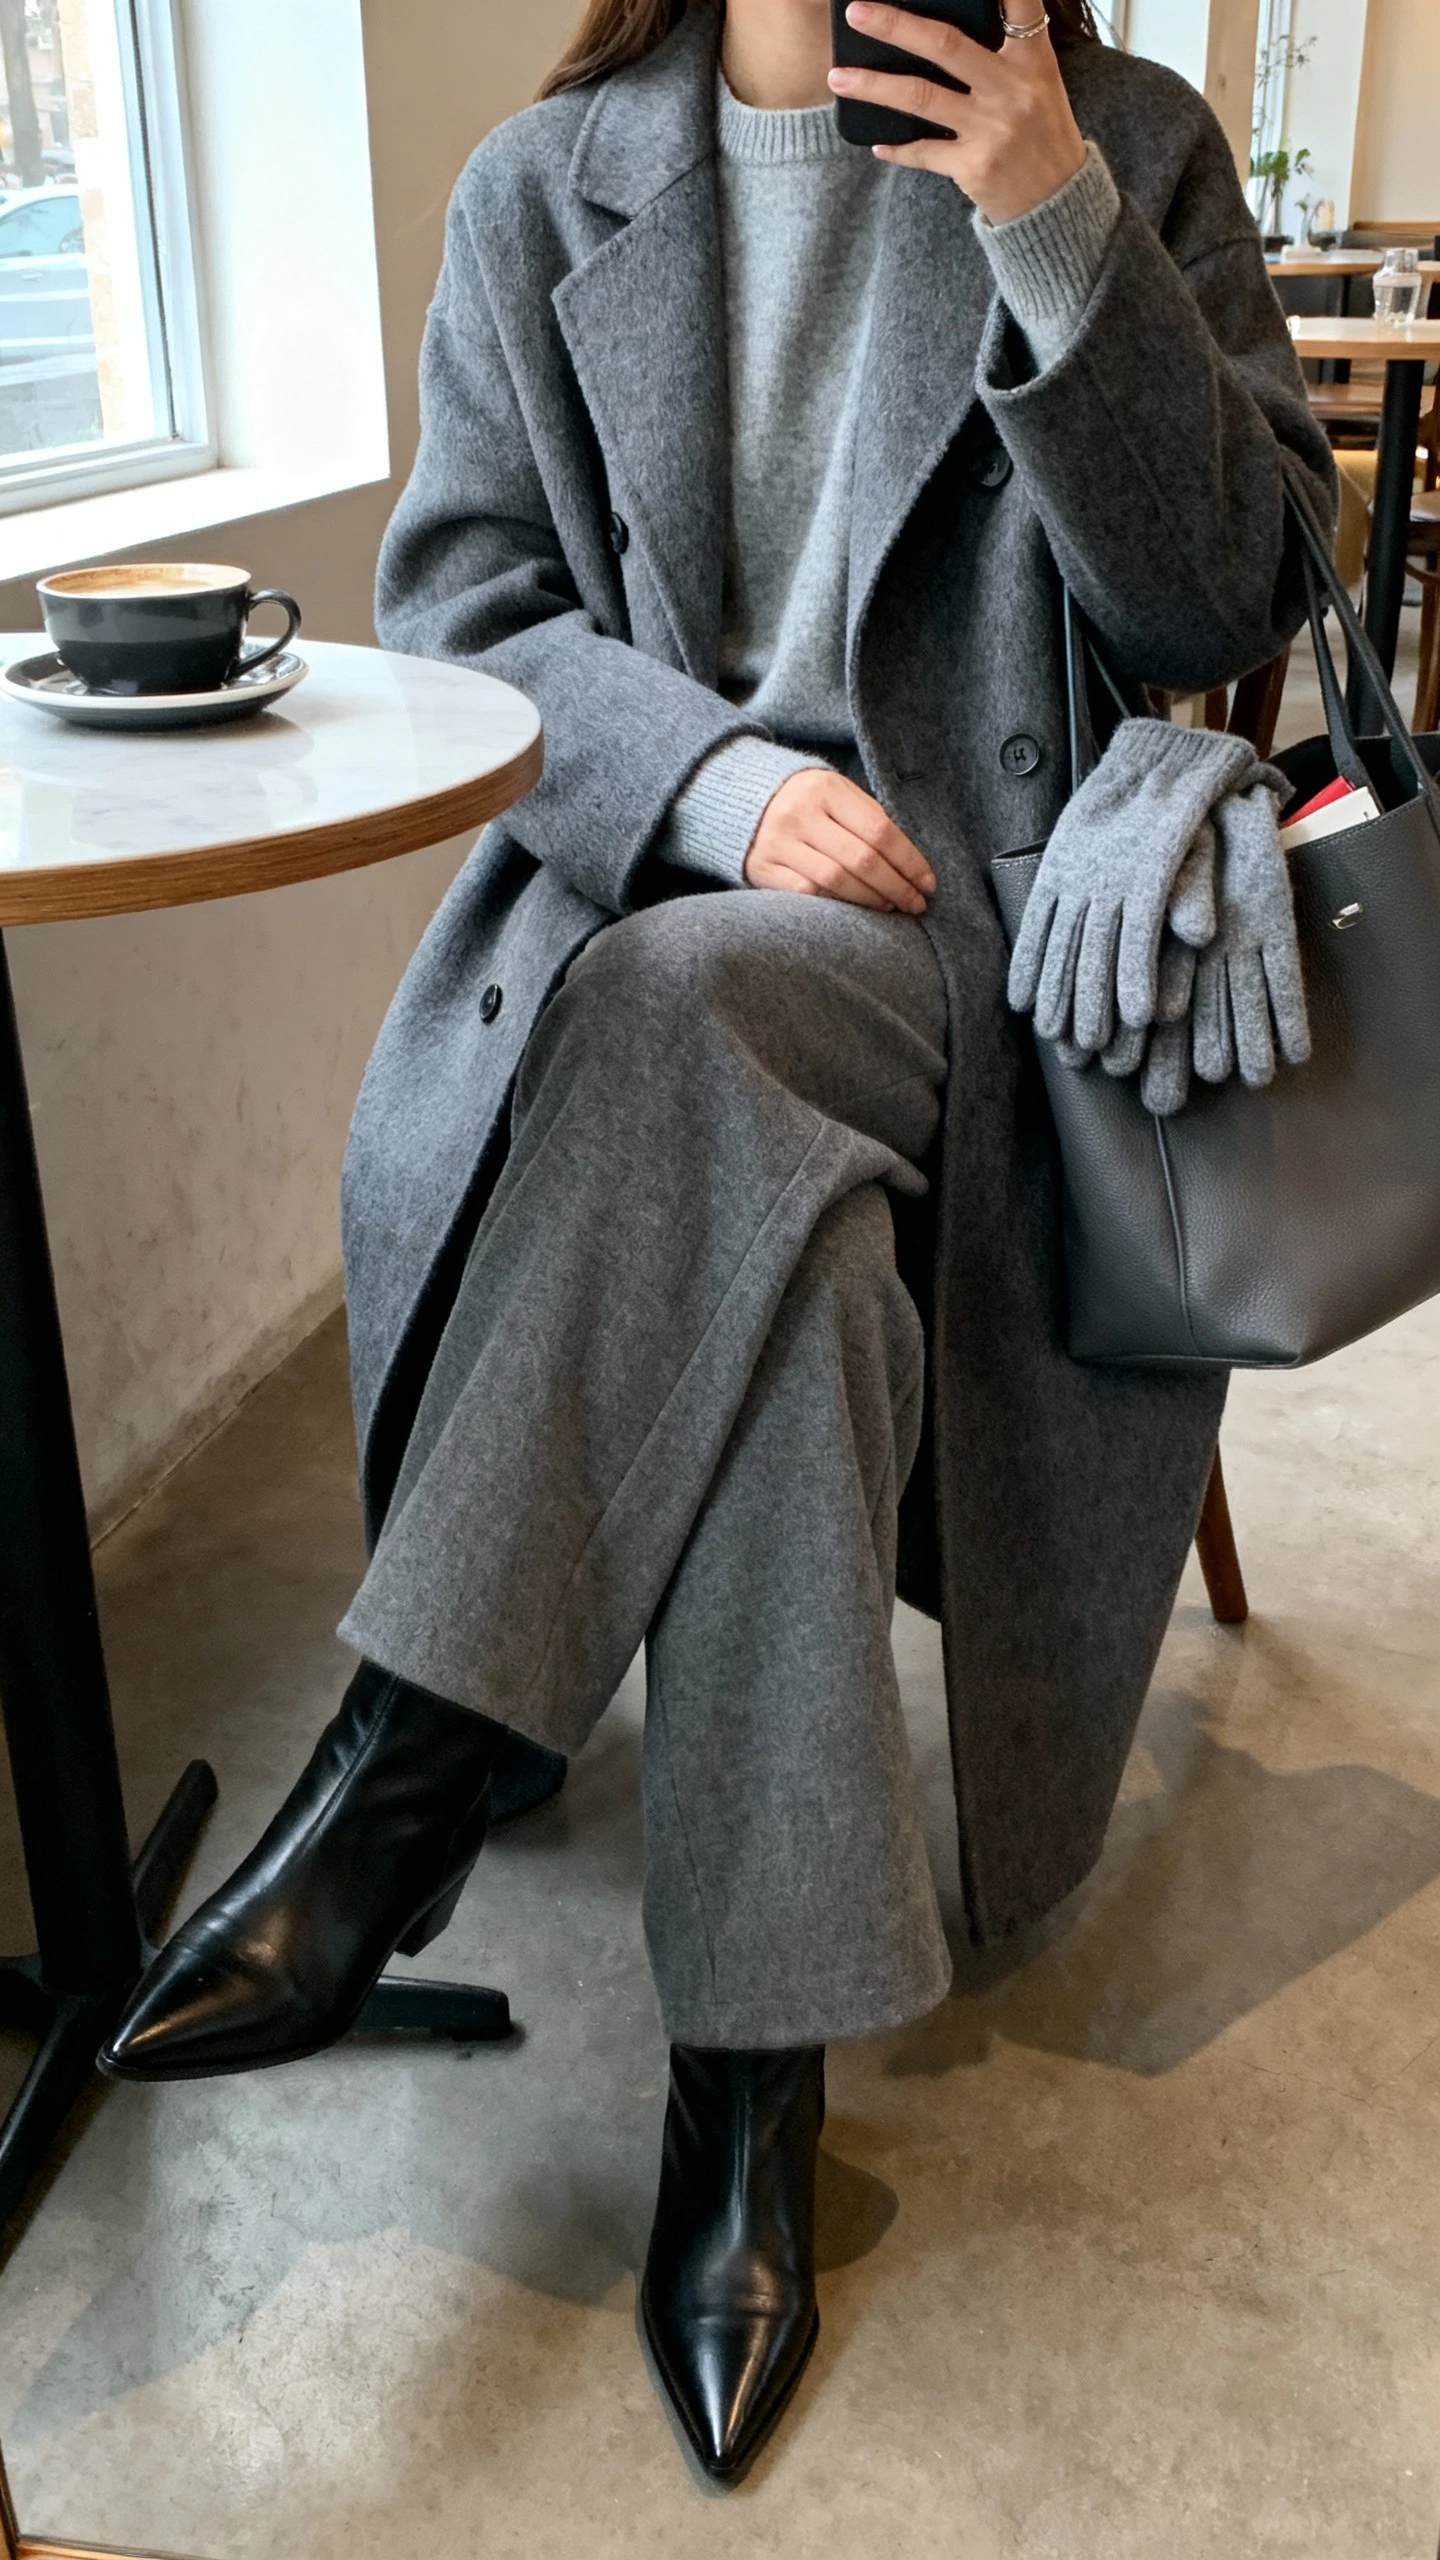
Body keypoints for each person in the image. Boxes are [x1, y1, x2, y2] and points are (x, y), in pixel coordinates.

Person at [103, 0, 1336, 2487]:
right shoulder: (541, 188)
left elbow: (1232, 590)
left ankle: (407, 1769)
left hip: (1002, 979)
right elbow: (463, 602)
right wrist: (709, 783)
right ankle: (749, 2088)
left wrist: (1051, 222)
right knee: (784, 1250)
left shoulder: (1129, 145)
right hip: (650, 942)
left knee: (697, 1042)